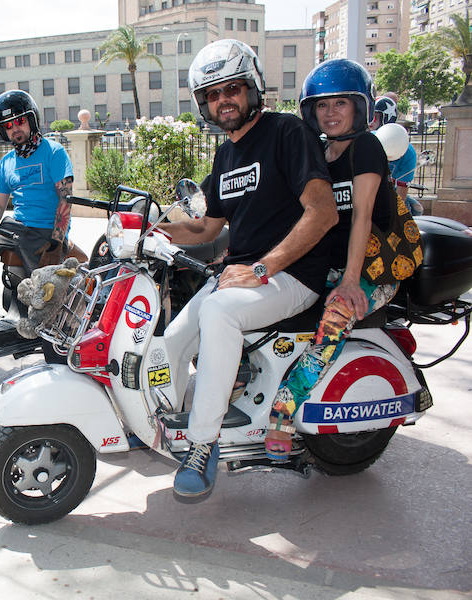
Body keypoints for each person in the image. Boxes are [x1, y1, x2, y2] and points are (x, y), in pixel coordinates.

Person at [156, 40, 338, 501]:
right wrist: (151, 230)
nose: (224, 101)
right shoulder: (225, 156)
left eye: (232, 89)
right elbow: (206, 227)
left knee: (219, 314)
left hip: (293, 274)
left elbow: (322, 214)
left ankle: (203, 444)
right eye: (213, 95)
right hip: (243, 274)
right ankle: (165, 427)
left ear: (253, 87)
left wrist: (263, 267)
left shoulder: (287, 134)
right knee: (173, 341)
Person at [264, 60, 403, 460]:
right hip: (329, 265)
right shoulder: (321, 152)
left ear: (360, 107)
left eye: (341, 102)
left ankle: (283, 413)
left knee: (334, 320)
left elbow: (361, 217)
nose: (331, 112)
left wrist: (350, 281)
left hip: (374, 270)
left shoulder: (367, 148)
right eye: (322, 105)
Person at [0, 89, 74, 323]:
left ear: (31, 120)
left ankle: (49, 326)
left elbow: (65, 200)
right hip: (14, 228)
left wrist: (57, 243)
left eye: (19, 121)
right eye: (8, 125)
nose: (15, 128)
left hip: (44, 230)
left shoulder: (54, 152)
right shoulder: (7, 162)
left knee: (45, 290)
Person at [370, 95, 422, 215]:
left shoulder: (407, 151)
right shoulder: (364, 141)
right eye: (370, 116)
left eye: (375, 117)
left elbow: (401, 195)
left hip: (388, 192)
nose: (371, 121)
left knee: (415, 209)